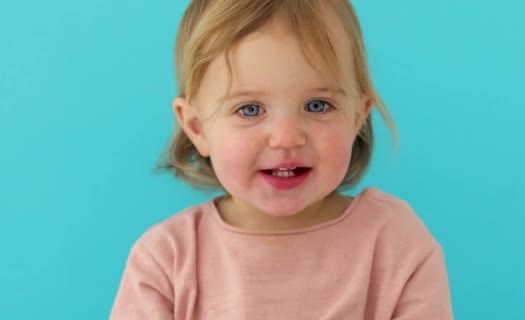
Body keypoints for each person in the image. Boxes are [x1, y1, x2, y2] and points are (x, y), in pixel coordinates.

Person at [110, 0, 453, 319]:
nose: (287, 137)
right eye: (250, 110)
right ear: (196, 128)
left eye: (318, 105)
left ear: (357, 118)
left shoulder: (397, 244)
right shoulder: (165, 260)